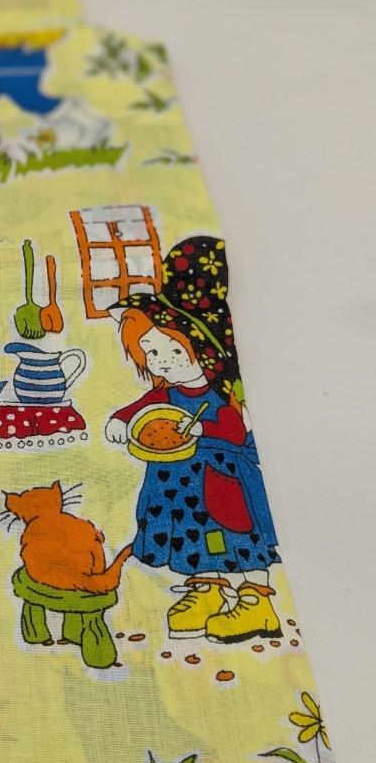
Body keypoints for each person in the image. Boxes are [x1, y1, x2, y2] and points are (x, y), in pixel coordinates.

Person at [105, 236, 281, 644]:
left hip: (221, 478)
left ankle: (257, 601)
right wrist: (120, 419)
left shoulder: (221, 394)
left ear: (201, 348)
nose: (162, 363)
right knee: (195, 538)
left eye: (173, 353)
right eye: (151, 354)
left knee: (234, 534)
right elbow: (145, 405)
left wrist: (204, 430)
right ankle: (208, 589)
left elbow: (235, 429)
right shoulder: (166, 393)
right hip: (176, 485)